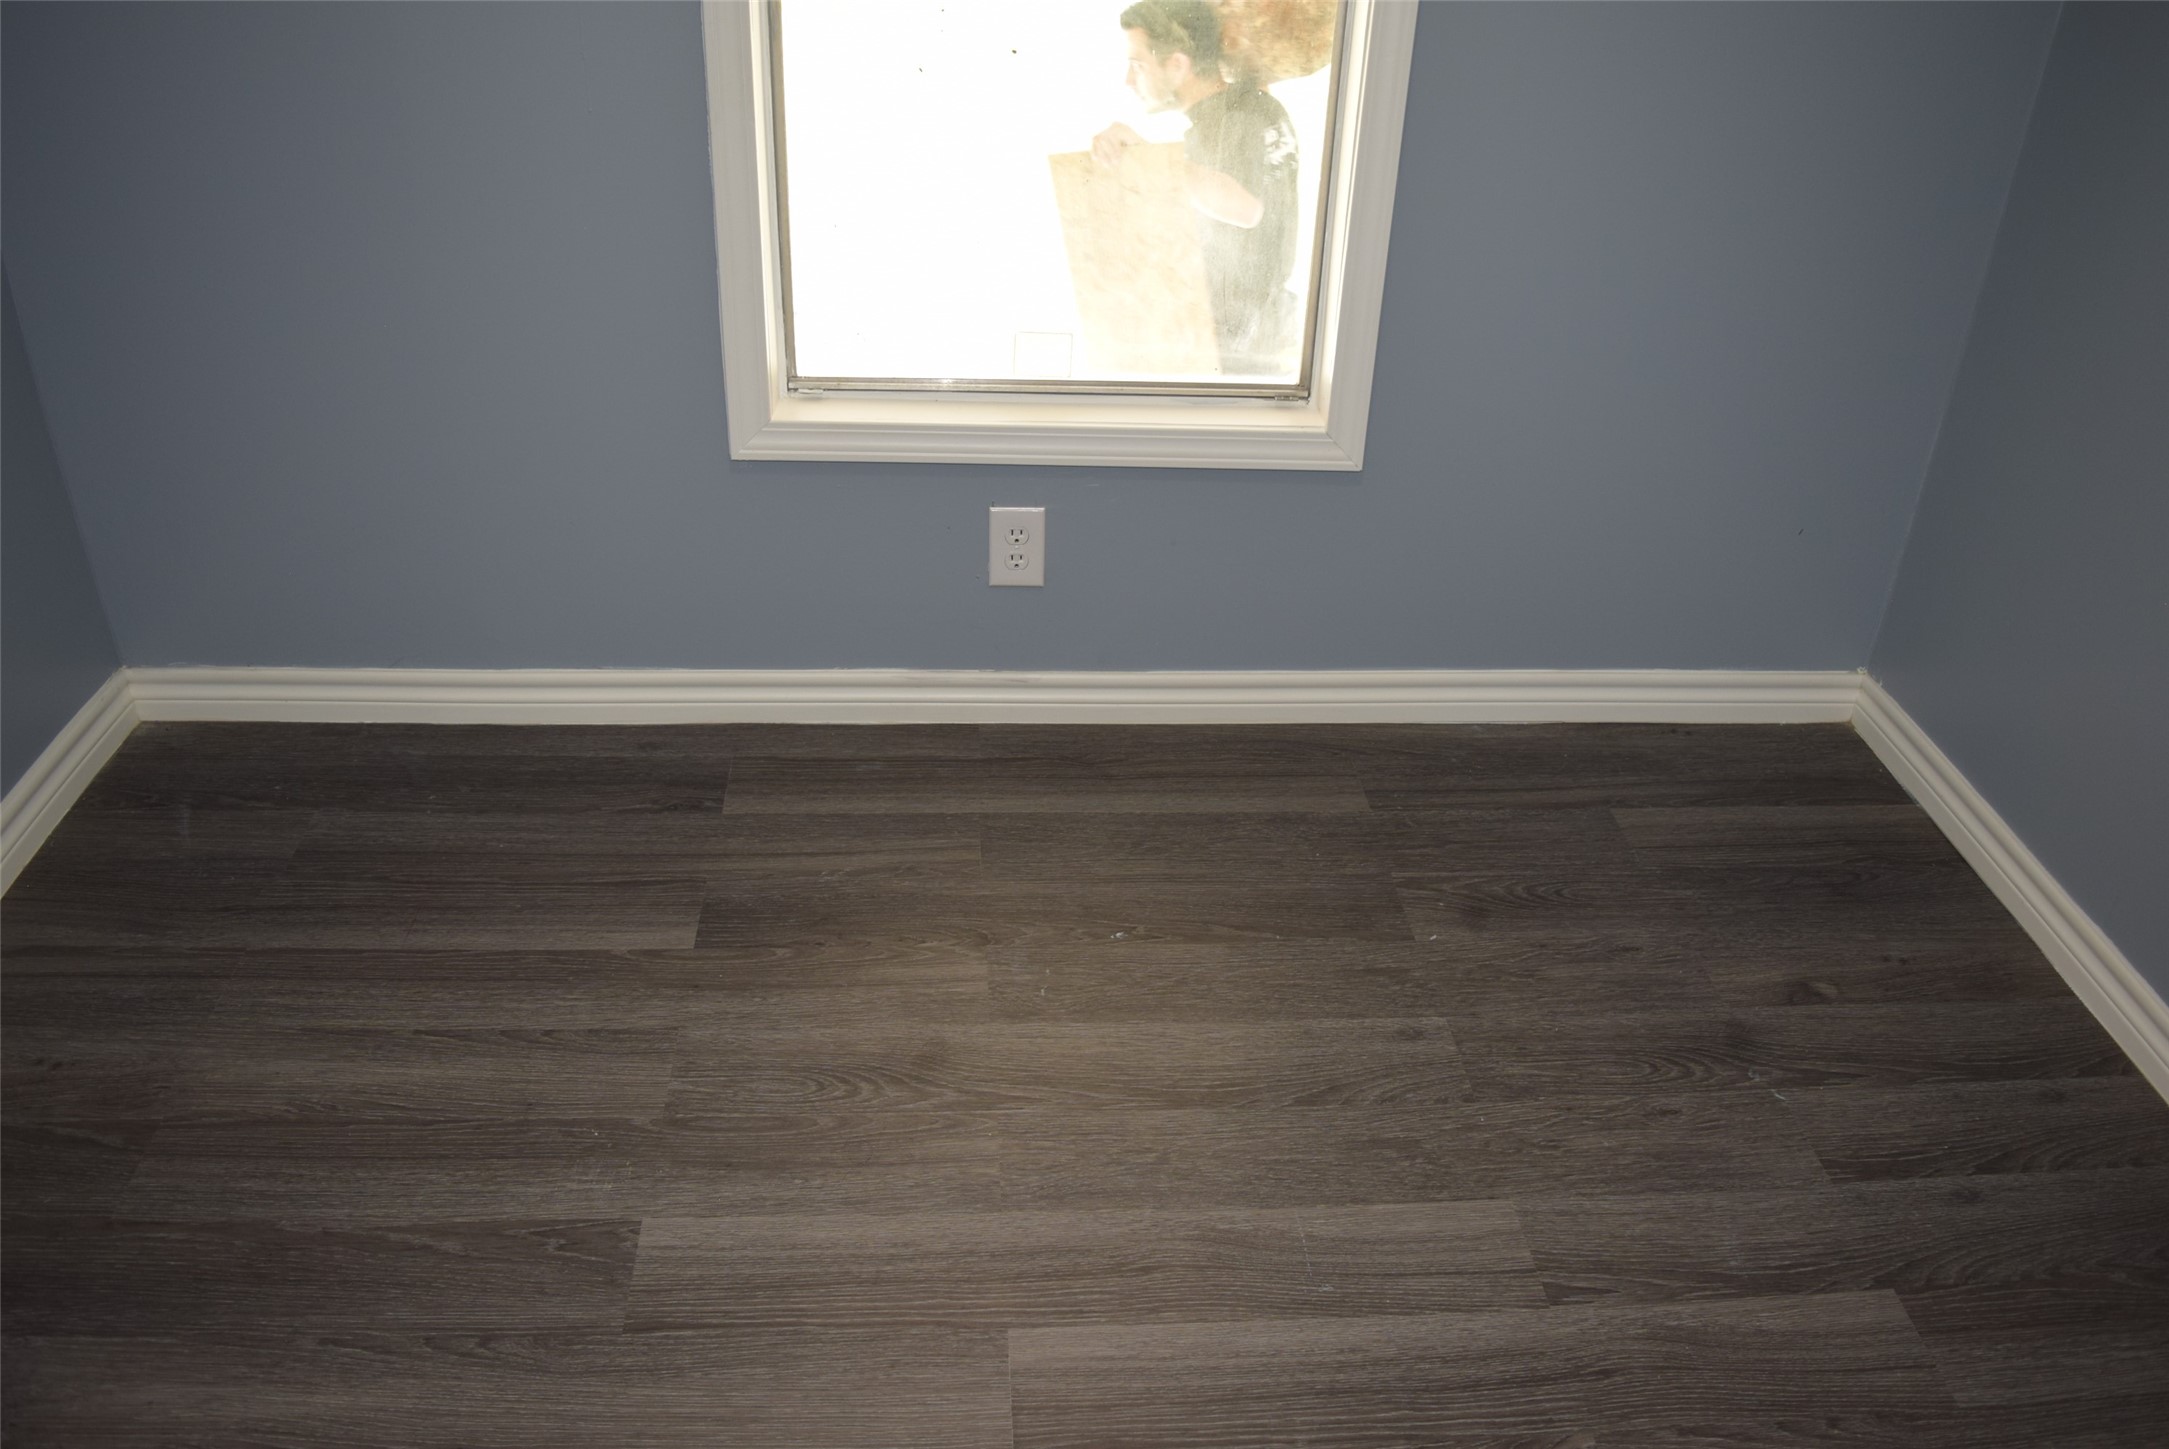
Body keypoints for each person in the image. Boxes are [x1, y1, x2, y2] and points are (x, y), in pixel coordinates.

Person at [1092, 0, 1299, 376]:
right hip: (1249, 351)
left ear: (1177, 65)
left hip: (1243, 363)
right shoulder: (1241, 114)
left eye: (1137, 64)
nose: (1128, 80)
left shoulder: (1241, 114)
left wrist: (1148, 160)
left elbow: (1246, 207)